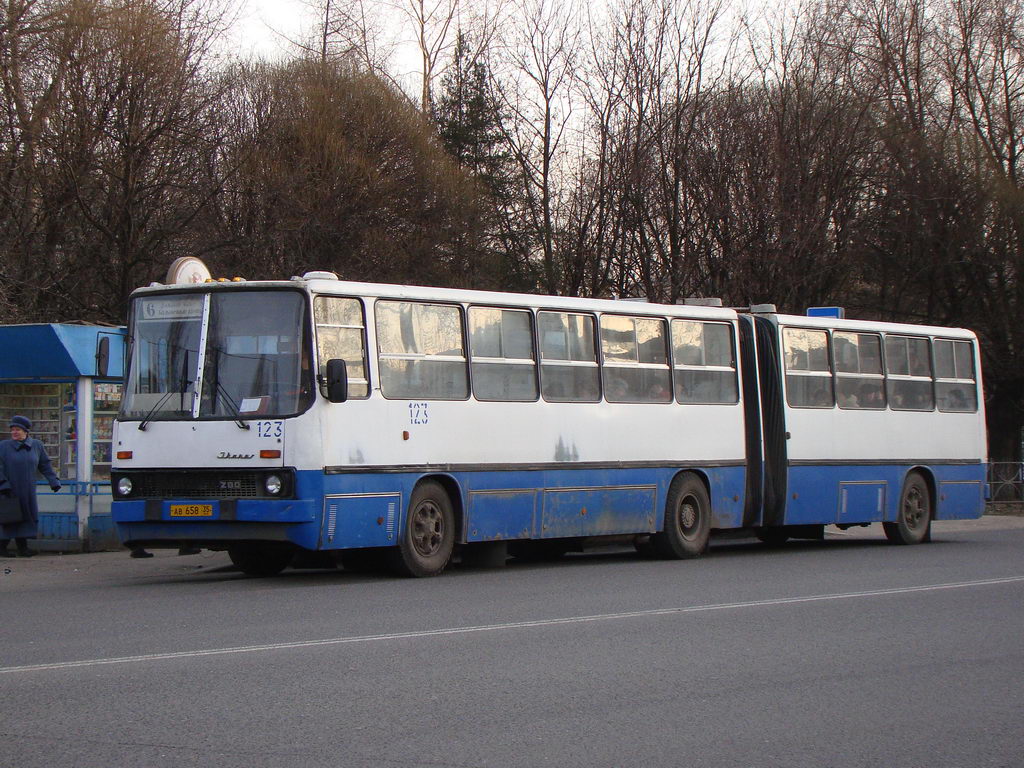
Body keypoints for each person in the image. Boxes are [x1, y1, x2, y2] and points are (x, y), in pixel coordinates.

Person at [0, 415, 61, 557]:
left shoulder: (36, 446)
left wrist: (53, 481)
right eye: (12, 430)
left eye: (18, 430)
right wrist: (3, 484)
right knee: (10, 517)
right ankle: (2, 548)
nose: (14, 432)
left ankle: (23, 548)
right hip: (8, 490)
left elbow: (45, 464)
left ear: (26, 431)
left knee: (26, 517)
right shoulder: (3, 446)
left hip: (27, 491)